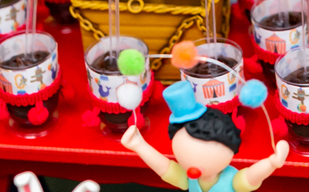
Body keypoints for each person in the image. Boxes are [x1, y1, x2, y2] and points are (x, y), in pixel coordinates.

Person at [121, 81, 288, 192]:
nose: (194, 166)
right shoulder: (189, 178)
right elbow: (165, 168)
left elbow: (251, 176)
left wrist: (271, 163)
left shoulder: (231, 180)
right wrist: (138, 145)